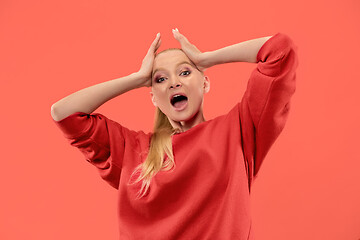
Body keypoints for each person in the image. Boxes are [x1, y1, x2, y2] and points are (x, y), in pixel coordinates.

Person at [51, 28, 299, 239]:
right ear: (153, 98)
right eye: (160, 79)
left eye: (185, 72)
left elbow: (279, 50)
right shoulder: (133, 150)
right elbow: (64, 113)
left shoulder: (239, 129)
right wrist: (136, 79)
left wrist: (206, 58)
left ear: (205, 83)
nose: (173, 83)